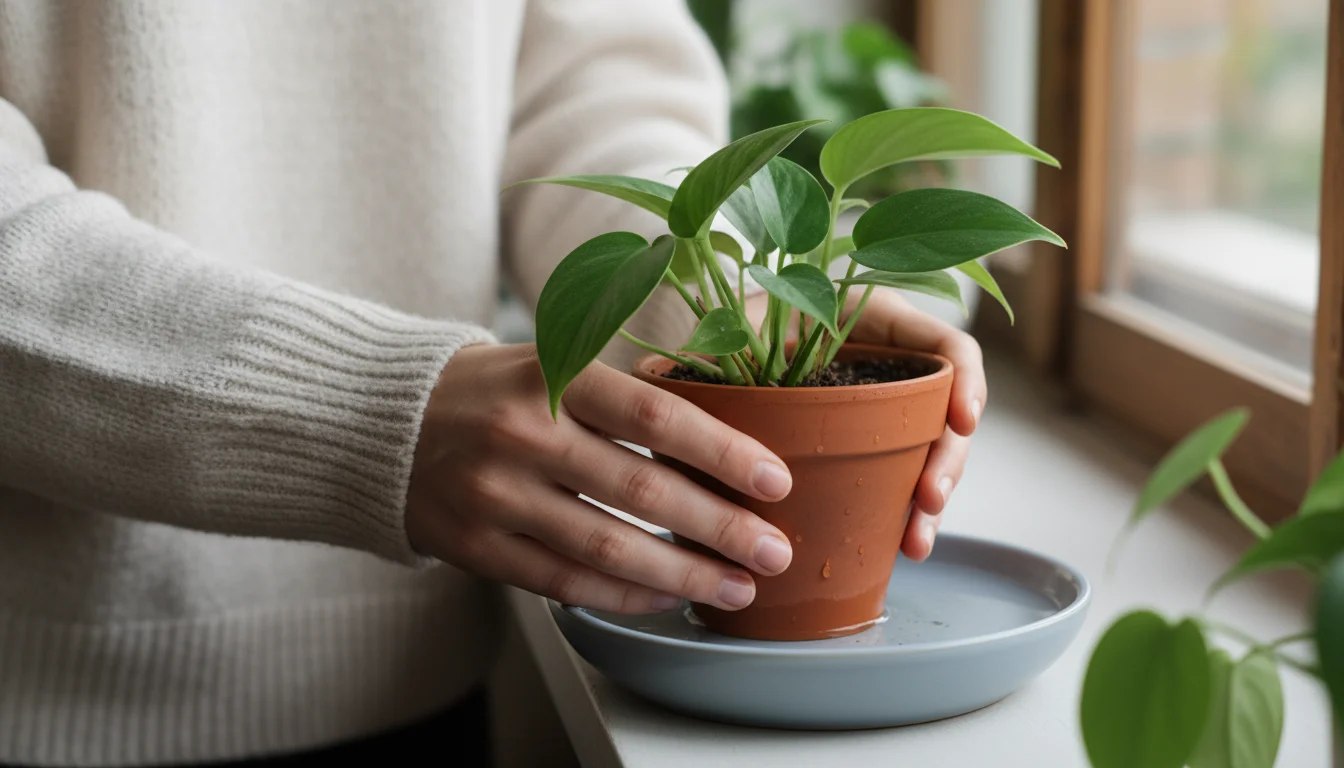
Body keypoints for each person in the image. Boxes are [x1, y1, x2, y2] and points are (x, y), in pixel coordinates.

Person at [0, 1, 985, 765]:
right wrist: (370, 410)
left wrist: (741, 313)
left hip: (410, 679)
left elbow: (588, 82)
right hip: (45, 689)